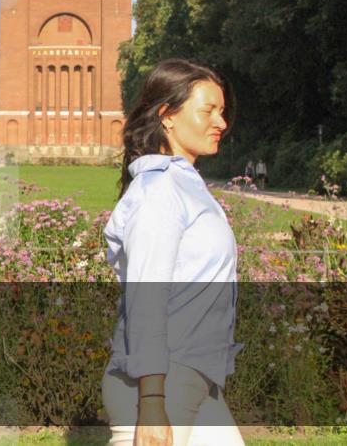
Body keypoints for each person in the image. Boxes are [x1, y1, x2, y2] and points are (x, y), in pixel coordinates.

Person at [101, 58, 245, 446]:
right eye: (208, 111)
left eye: (222, 111)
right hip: (160, 386)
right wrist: (151, 403)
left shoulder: (186, 186)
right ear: (167, 116)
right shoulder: (160, 192)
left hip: (195, 378)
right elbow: (147, 299)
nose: (221, 122)